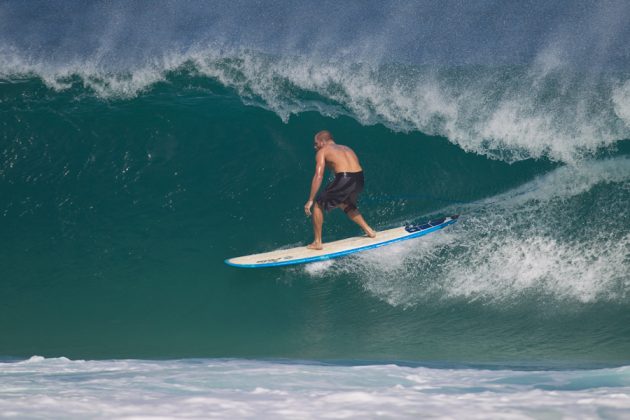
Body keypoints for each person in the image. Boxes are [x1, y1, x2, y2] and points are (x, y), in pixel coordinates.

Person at [304, 130, 376, 250]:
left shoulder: (323, 151)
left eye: (316, 143)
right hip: (359, 178)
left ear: (322, 142)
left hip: (345, 178)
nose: (315, 146)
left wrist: (310, 200)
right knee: (345, 203)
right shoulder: (347, 148)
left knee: (318, 203)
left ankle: (317, 242)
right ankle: (369, 230)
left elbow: (319, 175)